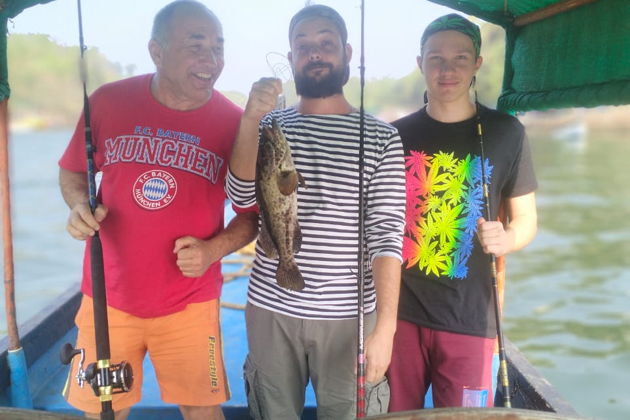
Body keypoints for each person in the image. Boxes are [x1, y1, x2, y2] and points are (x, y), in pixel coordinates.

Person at [58, 1, 257, 419]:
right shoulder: (108, 102)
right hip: (108, 295)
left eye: (218, 47)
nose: (211, 60)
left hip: (191, 301)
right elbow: (73, 170)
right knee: (102, 412)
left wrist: (213, 250)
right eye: (196, 46)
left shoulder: (235, 124)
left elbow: (251, 214)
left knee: (202, 410)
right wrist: (79, 206)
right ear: (157, 51)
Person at [225, 5, 406, 420]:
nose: (315, 53)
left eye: (326, 43)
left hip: (350, 317)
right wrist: (250, 116)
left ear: (347, 52)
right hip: (271, 307)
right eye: (303, 46)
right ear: (291, 58)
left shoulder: (382, 136)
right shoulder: (267, 126)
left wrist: (386, 327)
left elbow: (386, 235)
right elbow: (240, 194)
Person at [387, 14, 538, 411]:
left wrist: (507, 238)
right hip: (399, 314)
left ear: (477, 64)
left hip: (471, 318)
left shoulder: (507, 131)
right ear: (420, 63)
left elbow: (526, 221)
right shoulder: (394, 135)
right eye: (435, 58)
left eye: (460, 58)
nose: (447, 69)